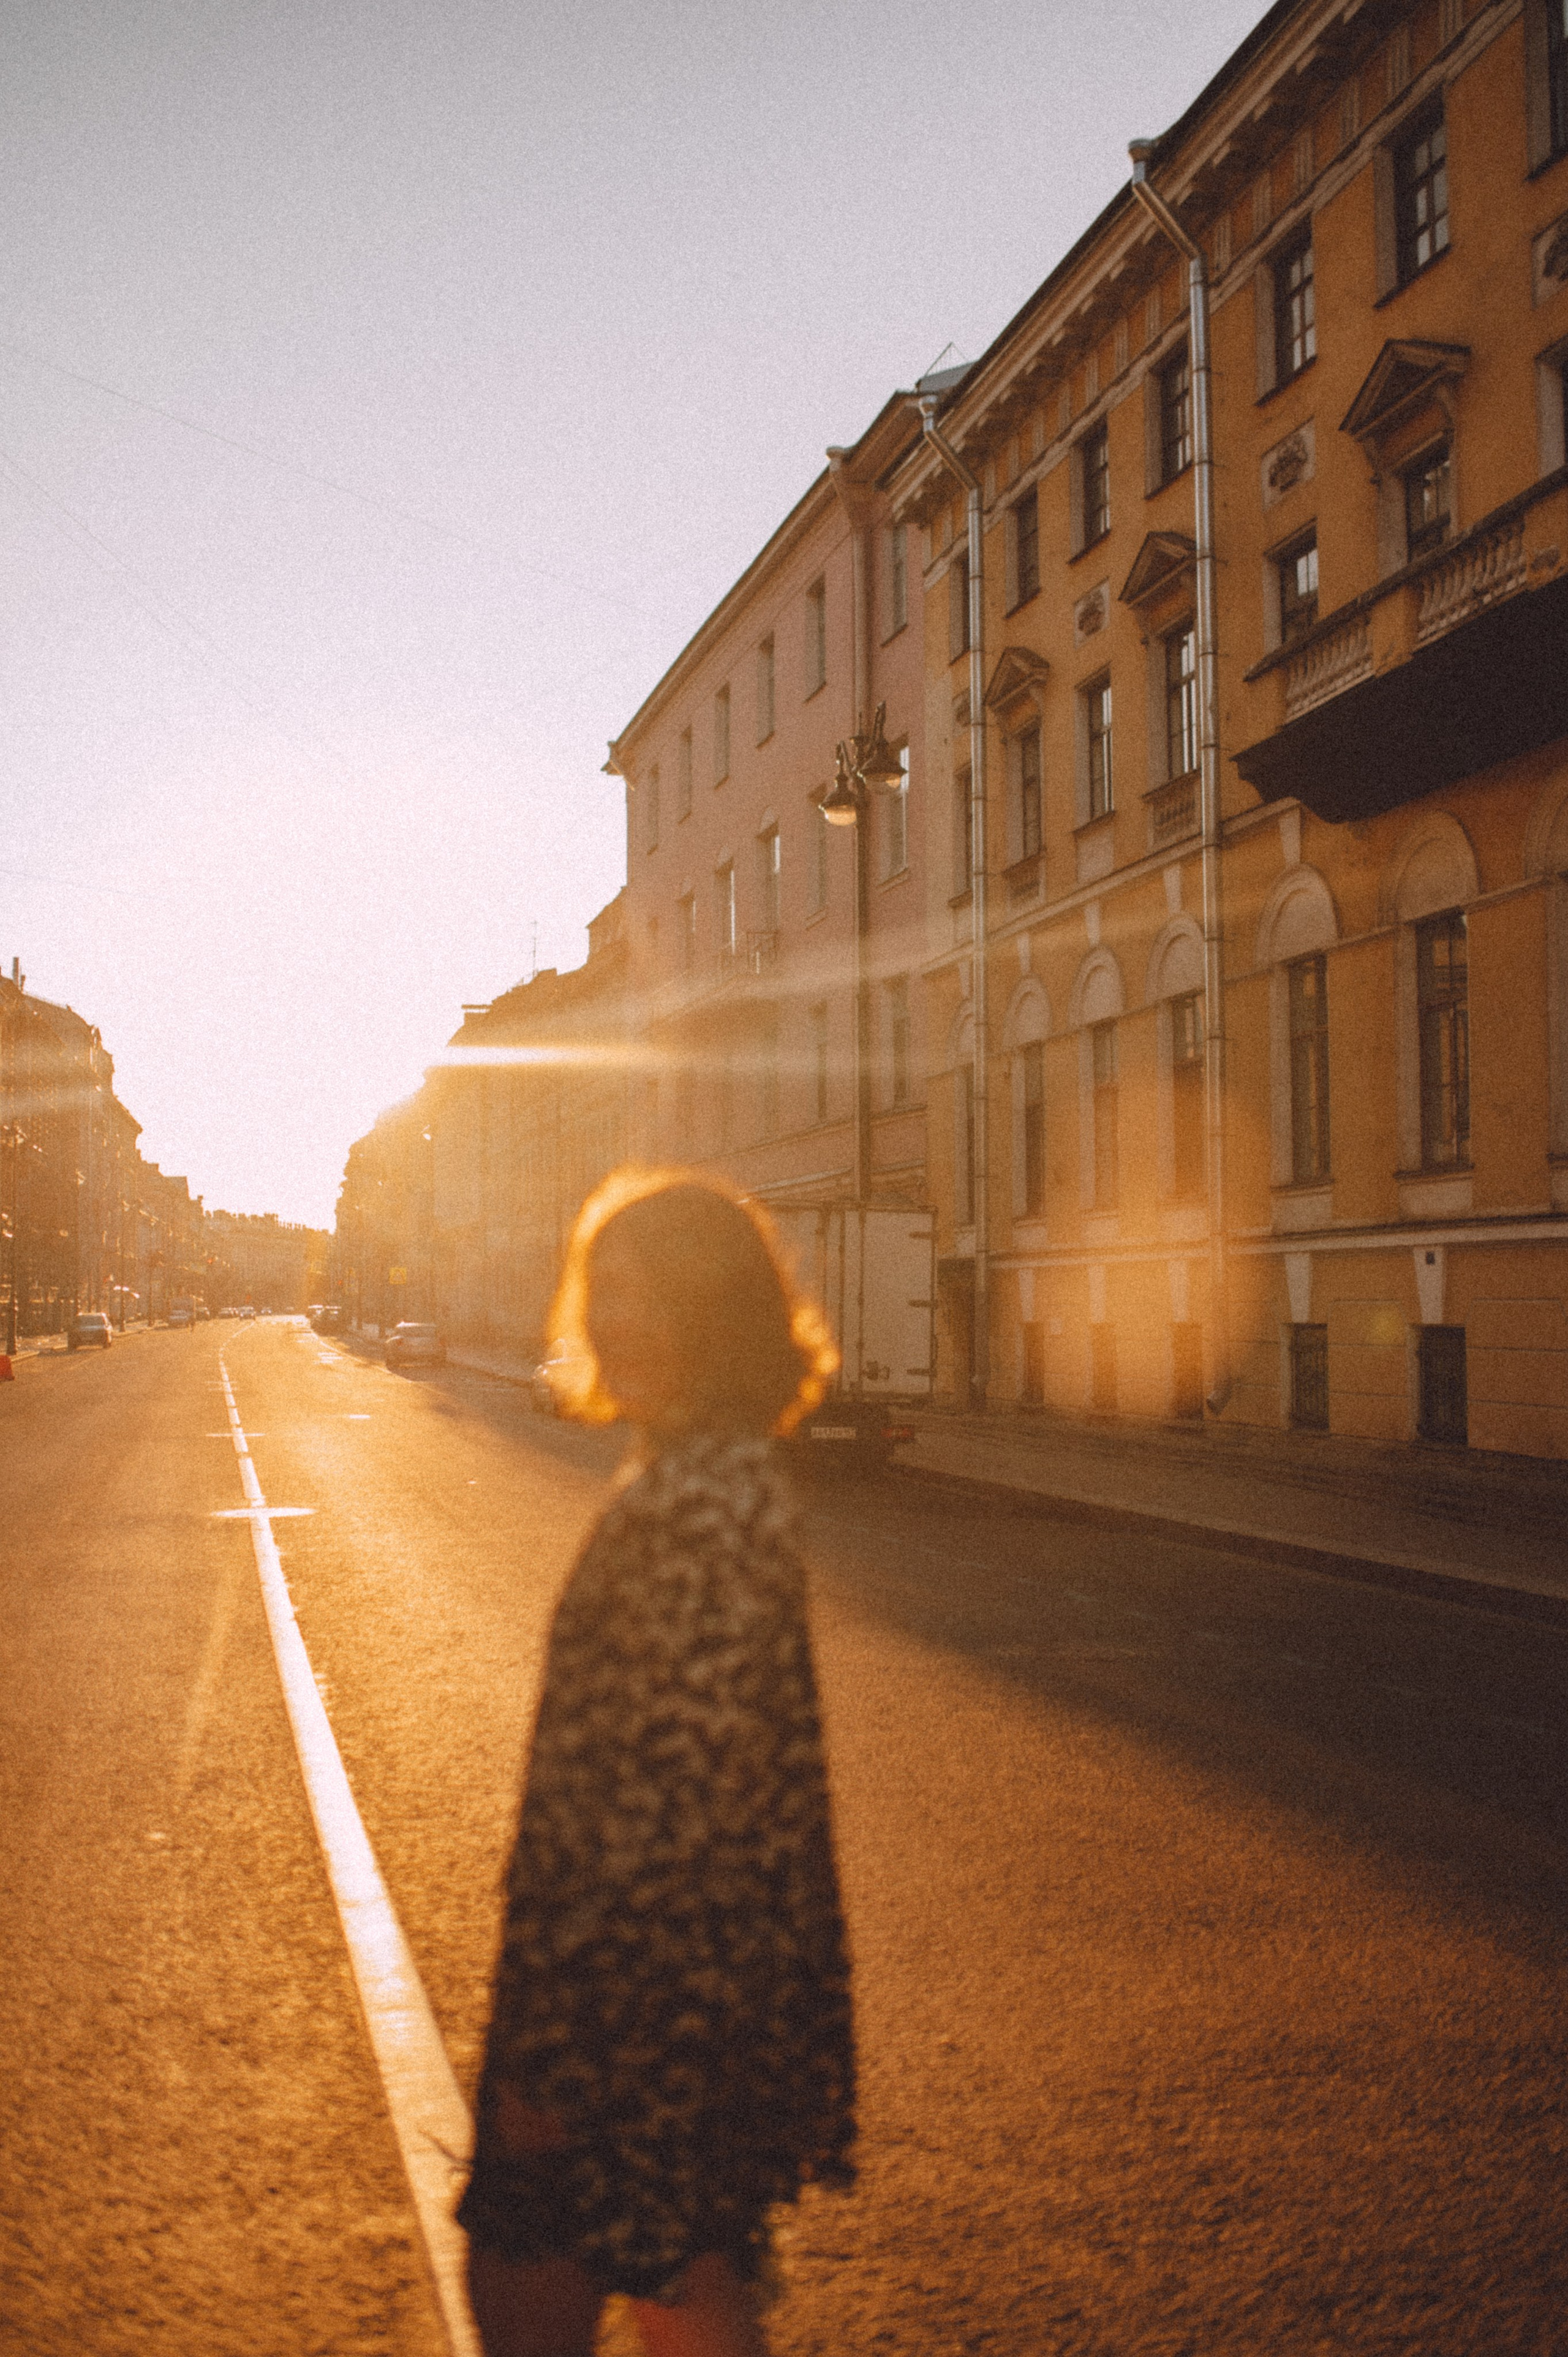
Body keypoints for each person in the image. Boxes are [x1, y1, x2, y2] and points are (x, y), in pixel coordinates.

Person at [459, 1167, 856, 2357]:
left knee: (549, 2285)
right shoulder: (703, 1477)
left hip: (630, 2004)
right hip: (678, 1999)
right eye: (602, 1287)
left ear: (713, 1311)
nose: (611, 1318)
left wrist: (554, 2046)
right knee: (672, 2273)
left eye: (645, 1291)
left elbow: (672, 1812)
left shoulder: (700, 1500)